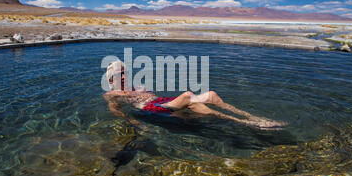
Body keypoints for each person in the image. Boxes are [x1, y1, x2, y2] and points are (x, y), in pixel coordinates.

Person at [103, 60, 287, 130]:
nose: (124, 75)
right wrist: (136, 124)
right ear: (111, 80)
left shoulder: (137, 86)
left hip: (161, 102)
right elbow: (116, 111)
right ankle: (249, 124)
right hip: (151, 109)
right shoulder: (112, 94)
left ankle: (254, 117)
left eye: (125, 72)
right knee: (189, 95)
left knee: (211, 95)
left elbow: (153, 96)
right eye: (119, 74)